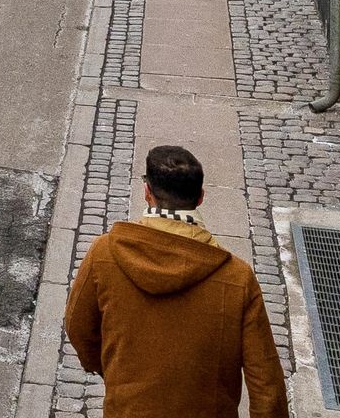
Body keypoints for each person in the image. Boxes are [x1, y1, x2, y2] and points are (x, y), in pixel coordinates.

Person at [62, 144, 287, 418]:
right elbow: (266, 383)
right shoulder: (237, 279)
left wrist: (113, 370)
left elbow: (78, 327)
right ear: (201, 197)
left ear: (147, 192)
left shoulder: (104, 254)